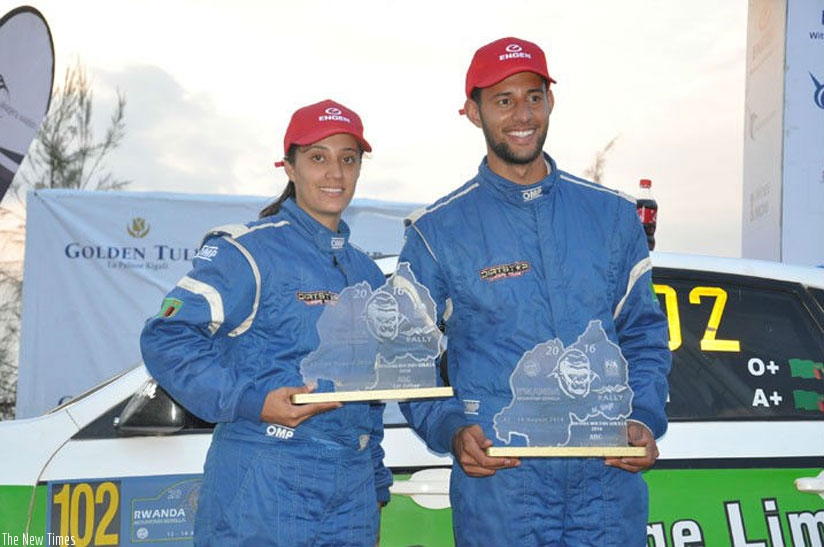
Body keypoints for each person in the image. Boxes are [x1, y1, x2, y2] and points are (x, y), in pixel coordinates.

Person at [398, 37, 671, 547]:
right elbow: (407, 358)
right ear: (472, 112)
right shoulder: (437, 233)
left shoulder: (612, 216)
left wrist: (644, 417)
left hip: (606, 485)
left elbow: (643, 335)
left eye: (533, 96)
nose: (522, 114)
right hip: (503, 484)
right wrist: (451, 428)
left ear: (550, 101)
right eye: (503, 100)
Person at [140, 99, 392, 547]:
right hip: (265, 473)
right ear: (290, 168)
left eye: (347, 159)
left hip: (350, 491)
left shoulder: (366, 274)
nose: (335, 173)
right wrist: (252, 401)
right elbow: (167, 337)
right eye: (318, 158)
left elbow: (368, 391)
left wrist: (373, 480)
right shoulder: (248, 252)